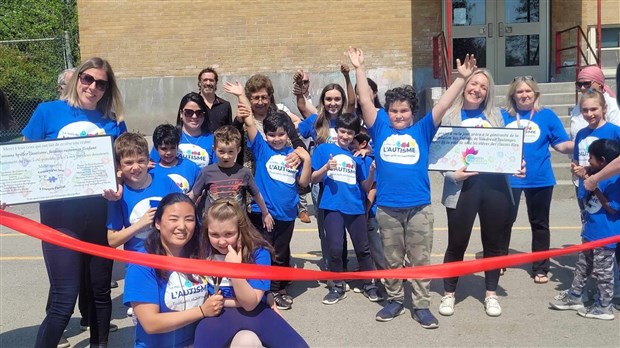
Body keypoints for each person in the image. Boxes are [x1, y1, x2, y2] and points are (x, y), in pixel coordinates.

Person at [348, 46, 477, 328]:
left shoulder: (422, 130)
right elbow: (367, 102)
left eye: (404, 110)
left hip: (419, 207)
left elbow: (442, 105)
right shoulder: (380, 127)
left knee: (419, 259)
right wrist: (359, 68)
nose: (398, 115)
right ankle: (394, 300)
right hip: (387, 208)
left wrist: (462, 78)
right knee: (392, 260)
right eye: (394, 110)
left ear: (412, 112)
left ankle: (420, 305)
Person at [22, 57, 126, 347]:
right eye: (87, 79)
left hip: (100, 217)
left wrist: (120, 184)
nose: (93, 86)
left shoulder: (112, 121)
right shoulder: (48, 112)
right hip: (60, 220)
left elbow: (121, 164)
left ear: (108, 88)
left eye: (101, 83)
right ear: (77, 79)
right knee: (64, 298)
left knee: (100, 294)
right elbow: (24, 162)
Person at [123, 193, 261, 347]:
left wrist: (263, 295)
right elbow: (151, 323)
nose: (182, 226)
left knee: (248, 340)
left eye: (189, 219)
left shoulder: (201, 254)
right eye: (173, 219)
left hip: (200, 342)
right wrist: (202, 311)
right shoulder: (142, 263)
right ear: (157, 223)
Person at [437, 69, 520, 318]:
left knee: (494, 244)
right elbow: (440, 154)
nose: (477, 89)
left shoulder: (496, 115)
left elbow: (508, 150)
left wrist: (517, 163)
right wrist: (452, 175)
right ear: (465, 85)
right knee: (457, 243)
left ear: (488, 91)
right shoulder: (450, 115)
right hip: (462, 187)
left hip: (494, 188)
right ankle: (449, 293)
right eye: (474, 83)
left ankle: (491, 294)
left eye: (483, 86)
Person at [193, 199, 309, 348]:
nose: (221, 241)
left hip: (253, 312)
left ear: (241, 230)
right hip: (216, 313)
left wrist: (234, 270)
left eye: (229, 234)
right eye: (214, 234)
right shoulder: (203, 248)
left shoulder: (259, 253)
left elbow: (250, 304)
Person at [502, 76, 574, 284]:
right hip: (509, 179)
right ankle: (498, 262)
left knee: (540, 224)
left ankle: (541, 267)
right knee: (503, 222)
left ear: (535, 94)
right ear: (513, 95)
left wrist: (583, 143)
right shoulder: (502, 115)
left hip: (540, 179)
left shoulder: (547, 116)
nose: (524, 95)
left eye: (528, 91)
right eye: (519, 92)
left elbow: (561, 145)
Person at [240, 103, 312, 310]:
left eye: (281, 134)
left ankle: (279, 289)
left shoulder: (294, 155)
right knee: (262, 252)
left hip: (287, 214)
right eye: (271, 135)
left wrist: (306, 160)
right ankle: (264, 290)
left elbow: (304, 183)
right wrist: (240, 96)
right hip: (263, 213)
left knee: (280, 254)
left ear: (287, 134)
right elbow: (250, 124)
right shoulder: (262, 148)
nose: (276, 138)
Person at [311, 112, 380, 304]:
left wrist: (372, 172)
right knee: (334, 248)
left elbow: (365, 186)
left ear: (354, 135)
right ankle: (338, 286)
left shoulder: (357, 157)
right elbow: (313, 178)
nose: (345, 136)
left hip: (356, 207)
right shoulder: (324, 150)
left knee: (363, 249)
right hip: (332, 207)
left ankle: (369, 284)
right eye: (342, 131)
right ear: (336, 131)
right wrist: (326, 168)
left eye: (350, 133)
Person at [549, 139, 620, 320]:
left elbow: (612, 208)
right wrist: (585, 175)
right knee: (583, 265)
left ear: (603, 161)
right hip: (590, 232)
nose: (588, 162)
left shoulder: (613, 181)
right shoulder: (597, 174)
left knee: (604, 273)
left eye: (591, 159)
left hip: (605, 236)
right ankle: (576, 295)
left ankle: (605, 306)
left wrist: (594, 187)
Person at [294, 79, 350, 272]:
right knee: (327, 228)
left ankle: (346, 262)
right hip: (321, 182)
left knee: (348, 224)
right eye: (328, 99)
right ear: (323, 101)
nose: (332, 103)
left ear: (342, 101)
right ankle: (332, 267)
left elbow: (364, 141)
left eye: (337, 99)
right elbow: (295, 134)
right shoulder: (315, 121)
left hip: (347, 182)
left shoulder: (349, 120)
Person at [107, 132, 182, 252]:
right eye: (128, 163)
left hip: (169, 253)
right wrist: (140, 224)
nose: (136, 167)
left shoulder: (165, 181)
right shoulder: (117, 195)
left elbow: (184, 212)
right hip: (138, 258)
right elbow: (112, 240)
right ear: (118, 166)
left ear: (148, 160)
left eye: (141, 161)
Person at [189, 125, 272, 228]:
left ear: (238, 150)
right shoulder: (206, 172)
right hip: (213, 224)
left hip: (237, 224)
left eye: (231, 152)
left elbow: (256, 195)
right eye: (221, 151)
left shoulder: (244, 172)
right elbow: (194, 195)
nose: (226, 156)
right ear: (214, 149)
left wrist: (265, 213)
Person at [150, 92, 216, 169]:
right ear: (181, 113)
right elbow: (152, 165)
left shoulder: (213, 140)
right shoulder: (167, 136)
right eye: (189, 112)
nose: (194, 116)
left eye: (199, 113)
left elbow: (217, 171)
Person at [352, 127, 386, 271]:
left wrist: (366, 210)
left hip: (369, 211)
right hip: (358, 209)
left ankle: (385, 275)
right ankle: (367, 269)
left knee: (376, 246)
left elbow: (372, 188)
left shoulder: (367, 161)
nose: (349, 145)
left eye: (353, 143)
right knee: (364, 243)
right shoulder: (355, 158)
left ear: (363, 144)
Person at [569, 66, 620, 142]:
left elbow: (616, 135)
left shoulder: (613, 105)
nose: (582, 88)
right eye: (579, 84)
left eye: (586, 83)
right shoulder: (577, 109)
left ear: (599, 83)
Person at [150, 124, 200, 194]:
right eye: (164, 149)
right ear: (156, 148)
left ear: (177, 146)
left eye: (172, 147)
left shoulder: (191, 167)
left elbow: (202, 187)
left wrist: (194, 195)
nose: (169, 152)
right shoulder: (151, 171)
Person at [197, 67, 233, 132]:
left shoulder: (225, 105)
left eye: (211, 80)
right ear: (200, 83)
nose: (208, 83)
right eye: (205, 80)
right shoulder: (193, 103)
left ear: (216, 83)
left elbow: (229, 131)